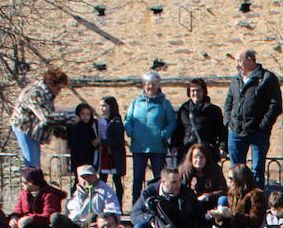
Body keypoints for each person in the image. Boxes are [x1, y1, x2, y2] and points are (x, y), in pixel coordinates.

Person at [130, 166, 208, 228]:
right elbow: (134, 214)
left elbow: (198, 214)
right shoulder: (149, 192)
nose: (178, 185)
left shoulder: (186, 192)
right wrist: (150, 219)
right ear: (163, 182)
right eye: (174, 182)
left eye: (180, 181)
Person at [224, 49, 283, 180]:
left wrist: (263, 125)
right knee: (236, 172)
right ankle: (238, 199)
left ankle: (256, 200)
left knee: (257, 171)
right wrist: (228, 121)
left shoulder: (267, 78)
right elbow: (228, 103)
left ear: (250, 60)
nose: (236, 65)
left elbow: (275, 105)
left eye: (239, 61)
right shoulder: (236, 80)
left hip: (258, 132)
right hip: (236, 131)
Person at [124, 71, 177, 201]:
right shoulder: (135, 103)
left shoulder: (164, 104)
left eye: (154, 84)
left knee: (158, 178)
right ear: (143, 85)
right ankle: (136, 205)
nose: (151, 87)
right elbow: (128, 119)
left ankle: (158, 203)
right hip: (139, 147)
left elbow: (172, 122)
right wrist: (131, 131)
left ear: (158, 85)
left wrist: (163, 134)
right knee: (137, 178)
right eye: (148, 84)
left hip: (157, 147)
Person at [9, 68, 70, 169]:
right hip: (25, 129)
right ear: (51, 84)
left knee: (35, 164)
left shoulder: (46, 94)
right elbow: (46, 117)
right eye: (58, 88)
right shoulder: (35, 93)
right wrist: (69, 120)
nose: (59, 92)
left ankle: (34, 181)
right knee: (32, 165)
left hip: (34, 131)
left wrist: (58, 130)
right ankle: (32, 182)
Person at [207, 164, 267, 228]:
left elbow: (255, 220)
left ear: (240, 178)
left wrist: (233, 214)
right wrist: (220, 216)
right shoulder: (232, 194)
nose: (228, 181)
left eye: (231, 178)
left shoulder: (256, 195)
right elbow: (226, 224)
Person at [174, 78, 226, 159]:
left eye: (198, 90)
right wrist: (175, 145)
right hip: (187, 150)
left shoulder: (214, 110)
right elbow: (178, 130)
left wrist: (222, 147)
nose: (195, 93)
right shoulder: (184, 110)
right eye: (193, 91)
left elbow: (221, 131)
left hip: (207, 150)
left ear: (203, 92)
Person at [95, 96, 128, 202]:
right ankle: (101, 203)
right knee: (102, 180)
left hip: (114, 155)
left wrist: (102, 142)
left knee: (117, 181)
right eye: (100, 106)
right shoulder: (99, 121)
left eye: (104, 106)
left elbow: (117, 140)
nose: (102, 108)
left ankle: (118, 204)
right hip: (104, 154)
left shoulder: (116, 122)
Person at [179, 142, 228, 207]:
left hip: (210, 203)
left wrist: (208, 196)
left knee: (223, 199)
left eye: (202, 157)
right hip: (190, 205)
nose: (199, 160)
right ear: (191, 158)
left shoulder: (215, 170)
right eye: (195, 157)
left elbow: (223, 191)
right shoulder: (184, 170)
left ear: (206, 158)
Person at [65, 102, 98, 171]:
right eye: (82, 114)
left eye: (88, 114)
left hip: (89, 158)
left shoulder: (89, 127)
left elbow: (93, 142)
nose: (85, 116)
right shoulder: (74, 127)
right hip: (78, 158)